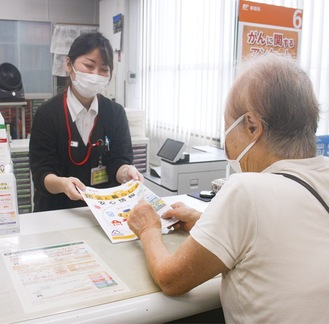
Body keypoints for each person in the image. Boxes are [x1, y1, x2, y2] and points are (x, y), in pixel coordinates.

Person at [127, 54, 329, 323]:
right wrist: (204, 222)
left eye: (227, 128)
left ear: (252, 126)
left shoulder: (247, 190)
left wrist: (148, 229)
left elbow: (171, 278)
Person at [30, 32, 143, 212]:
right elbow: (41, 173)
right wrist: (62, 184)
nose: (95, 75)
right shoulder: (47, 114)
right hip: (56, 212)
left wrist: (125, 172)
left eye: (104, 69)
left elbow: (119, 160)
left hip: (102, 212)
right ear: (69, 64)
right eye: (89, 66)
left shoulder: (115, 113)